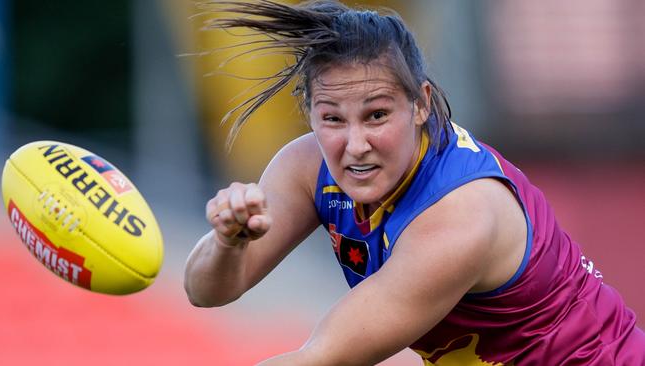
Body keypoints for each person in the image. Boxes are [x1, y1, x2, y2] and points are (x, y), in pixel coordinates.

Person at [184, 1, 645, 364]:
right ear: (309, 112)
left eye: (377, 115)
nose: (355, 144)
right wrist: (229, 242)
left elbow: (325, 358)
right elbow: (206, 291)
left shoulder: (461, 214)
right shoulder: (307, 166)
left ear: (421, 104)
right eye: (332, 119)